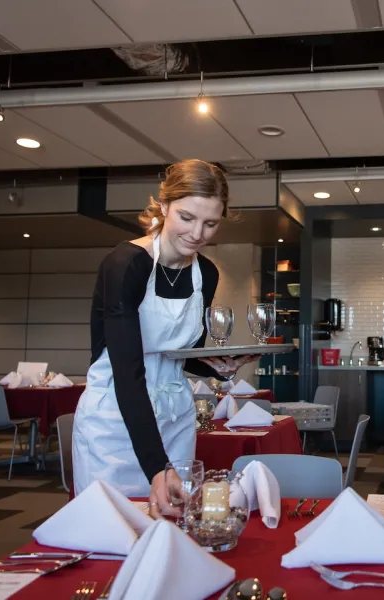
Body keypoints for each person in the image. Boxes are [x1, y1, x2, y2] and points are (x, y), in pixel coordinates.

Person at [72, 159, 257, 519]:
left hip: (175, 419)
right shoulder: (127, 263)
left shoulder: (206, 273)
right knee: (111, 529)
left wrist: (218, 367)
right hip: (115, 419)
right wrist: (157, 467)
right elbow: (128, 373)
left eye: (210, 223)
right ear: (164, 205)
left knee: (172, 527)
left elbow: (183, 354)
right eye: (187, 217)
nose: (198, 233)